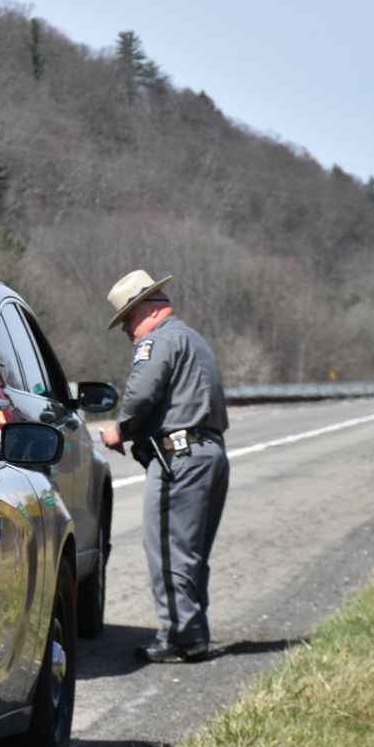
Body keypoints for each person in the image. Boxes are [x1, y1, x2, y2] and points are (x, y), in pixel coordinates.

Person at [98, 269, 229, 664]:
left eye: (127, 318)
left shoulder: (157, 342)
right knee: (190, 552)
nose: (125, 330)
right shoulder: (191, 338)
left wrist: (120, 430)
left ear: (149, 310)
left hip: (181, 458)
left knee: (169, 550)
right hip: (208, 453)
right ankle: (192, 630)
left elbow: (141, 394)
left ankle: (179, 637)